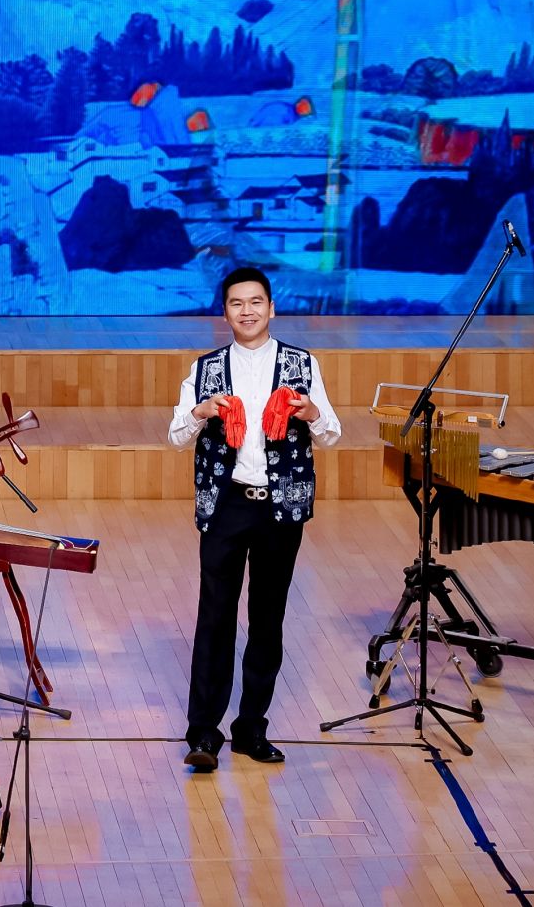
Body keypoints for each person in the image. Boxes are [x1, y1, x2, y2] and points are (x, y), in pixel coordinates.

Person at [168, 266, 342, 771]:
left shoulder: (301, 364)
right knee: (215, 616)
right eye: (236, 303)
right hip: (226, 504)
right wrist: (200, 412)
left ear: (272, 308)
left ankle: (251, 728)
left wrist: (311, 414)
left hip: (281, 507)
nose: (247, 311)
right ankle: (204, 732)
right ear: (224, 313)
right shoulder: (205, 368)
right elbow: (175, 435)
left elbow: (332, 432)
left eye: (255, 302)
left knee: (268, 618)